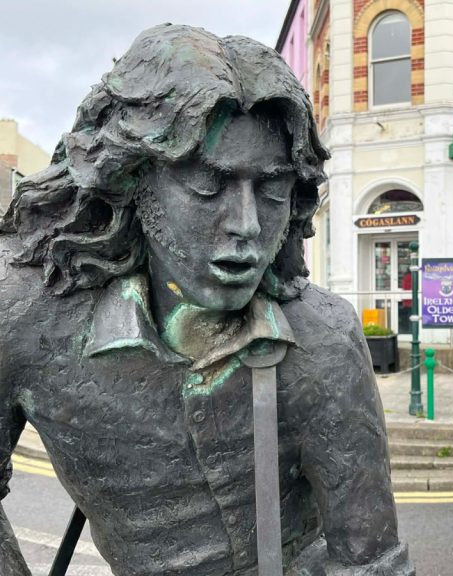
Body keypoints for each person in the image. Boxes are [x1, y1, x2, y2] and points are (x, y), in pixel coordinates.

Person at [0, 24, 413, 575]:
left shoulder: (325, 340)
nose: (246, 225)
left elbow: (371, 561)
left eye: (272, 189)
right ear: (133, 178)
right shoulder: (25, 318)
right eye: (207, 185)